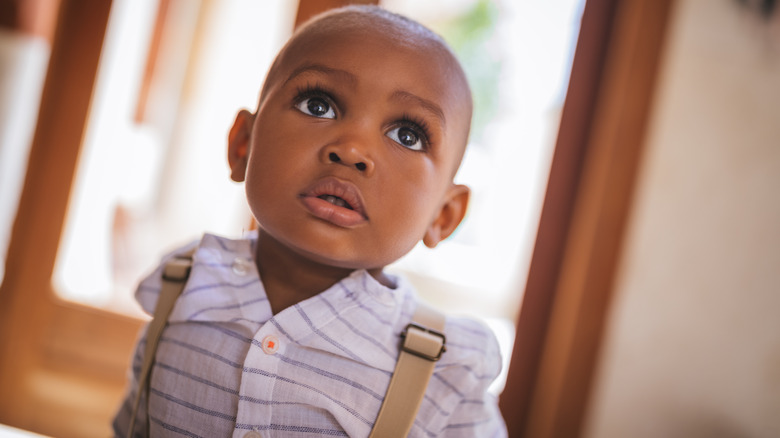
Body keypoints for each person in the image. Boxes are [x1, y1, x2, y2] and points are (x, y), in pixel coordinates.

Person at [113, 5, 507, 437]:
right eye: (318, 105)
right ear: (243, 144)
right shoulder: (187, 286)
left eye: (406, 135)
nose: (352, 149)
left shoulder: (444, 371)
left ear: (443, 216)